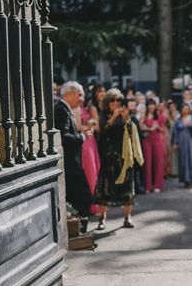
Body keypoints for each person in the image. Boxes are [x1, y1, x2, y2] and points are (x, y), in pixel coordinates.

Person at [95, 90, 143, 229]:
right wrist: (114, 117)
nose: (115, 103)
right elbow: (102, 132)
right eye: (112, 101)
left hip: (124, 157)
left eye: (118, 101)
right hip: (108, 156)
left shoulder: (126, 116)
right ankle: (102, 218)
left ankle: (127, 217)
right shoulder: (104, 116)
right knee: (105, 188)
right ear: (107, 103)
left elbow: (133, 132)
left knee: (127, 188)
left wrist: (126, 118)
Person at [54, 81, 93, 233]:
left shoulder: (64, 108)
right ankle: (80, 232)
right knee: (84, 196)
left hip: (71, 163)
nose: (82, 98)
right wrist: (82, 137)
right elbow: (63, 137)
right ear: (69, 94)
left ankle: (78, 231)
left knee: (77, 199)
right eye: (80, 94)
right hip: (69, 164)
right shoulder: (61, 110)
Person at [172, 103, 192, 188]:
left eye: (187, 109)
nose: (185, 110)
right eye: (184, 109)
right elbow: (175, 132)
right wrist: (175, 143)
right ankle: (185, 180)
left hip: (190, 141)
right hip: (181, 142)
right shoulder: (178, 120)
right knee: (183, 160)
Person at [140, 100, 166, 193]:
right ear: (147, 106)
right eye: (149, 105)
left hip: (157, 140)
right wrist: (149, 128)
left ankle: (158, 185)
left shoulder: (159, 116)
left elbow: (163, 130)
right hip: (147, 140)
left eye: (153, 105)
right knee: (147, 163)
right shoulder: (144, 115)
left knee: (158, 161)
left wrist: (157, 127)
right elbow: (140, 126)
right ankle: (148, 186)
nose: (151, 107)